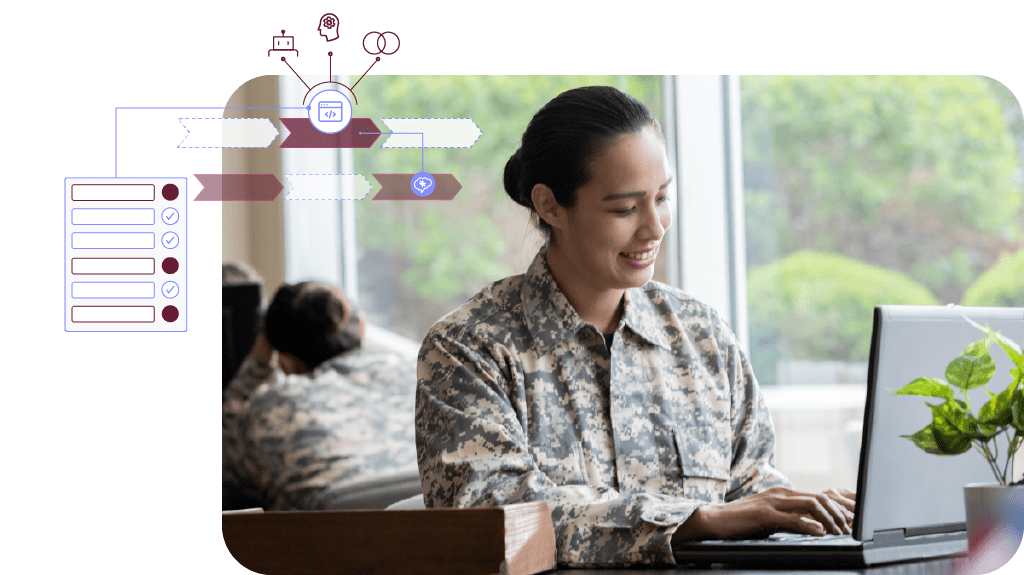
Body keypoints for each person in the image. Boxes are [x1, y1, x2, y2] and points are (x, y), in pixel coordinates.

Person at [415, 86, 856, 567]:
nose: (655, 227)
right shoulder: (469, 349)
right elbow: (493, 518)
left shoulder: (701, 334)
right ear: (551, 206)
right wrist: (695, 520)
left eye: (662, 198)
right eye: (625, 208)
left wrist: (818, 517)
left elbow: (752, 490)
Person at [223, 281, 420, 511]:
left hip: (332, 543)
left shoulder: (271, 409)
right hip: (443, 537)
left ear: (286, 362)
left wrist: (258, 361)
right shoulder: (420, 375)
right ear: (362, 328)